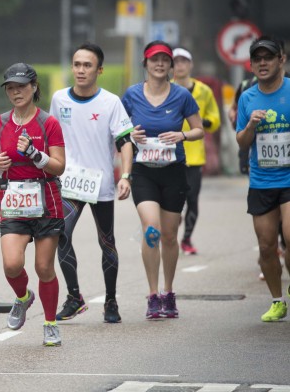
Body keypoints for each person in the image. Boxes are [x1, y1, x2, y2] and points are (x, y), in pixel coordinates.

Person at [48, 42, 134, 323]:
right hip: (69, 182)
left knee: (107, 242)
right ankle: (74, 297)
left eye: (87, 65)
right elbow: (51, 137)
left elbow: (125, 141)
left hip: (101, 183)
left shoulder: (111, 102)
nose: (81, 70)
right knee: (61, 233)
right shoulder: (59, 99)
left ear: (99, 70)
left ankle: (111, 301)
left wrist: (125, 176)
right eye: (77, 64)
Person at [121, 41, 204, 319]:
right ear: (145, 63)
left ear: (170, 65)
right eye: (154, 59)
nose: (159, 64)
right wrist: (131, 135)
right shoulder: (132, 95)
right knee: (152, 230)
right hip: (143, 171)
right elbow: (119, 132)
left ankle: (169, 292)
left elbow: (199, 130)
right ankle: (152, 295)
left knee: (169, 235)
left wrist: (182, 135)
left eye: (165, 60)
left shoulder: (181, 95)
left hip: (173, 171)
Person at [0, 63, 66, 346]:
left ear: (34, 87)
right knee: (11, 265)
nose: (16, 92)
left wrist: (35, 154)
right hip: (14, 202)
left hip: (46, 201)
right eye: (10, 88)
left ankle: (50, 323)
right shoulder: (0, 123)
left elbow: (59, 166)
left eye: (21, 86)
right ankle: (23, 297)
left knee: (44, 268)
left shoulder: (48, 123)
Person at [235, 36, 290, 322]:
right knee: (267, 246)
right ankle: (277, 300)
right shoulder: (247, 98)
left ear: (281, 60)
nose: (263, 63)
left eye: (269, 57)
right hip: (262, 181)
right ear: (251, 65)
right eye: (257, 59)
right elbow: (242, 142)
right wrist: (251, 125)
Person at [171, 47, 221, 255]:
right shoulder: (166, 89)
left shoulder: (203, 91)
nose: (180, 65)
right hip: (169, 155)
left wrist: (204, 123)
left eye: (184, 61)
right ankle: (168, 237)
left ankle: (187, 239)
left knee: (192, 200)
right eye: (176, 62)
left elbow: (215, 119)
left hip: (194, 156)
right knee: (170, 200)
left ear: (191, 65)